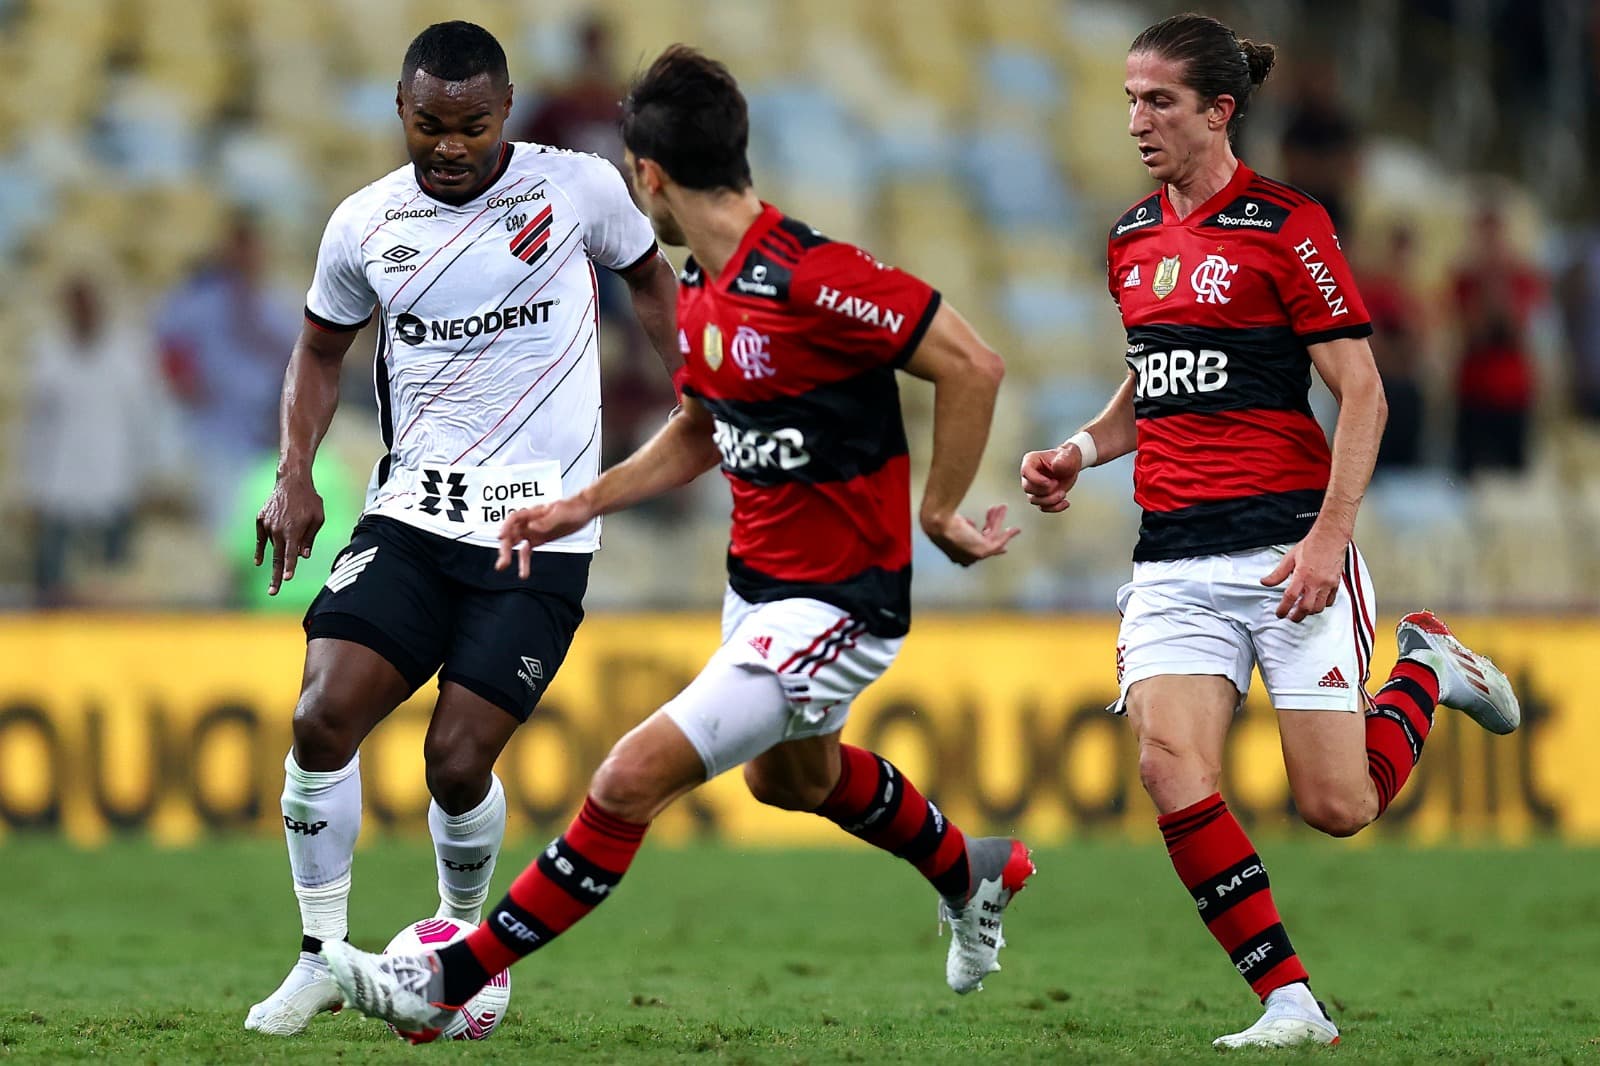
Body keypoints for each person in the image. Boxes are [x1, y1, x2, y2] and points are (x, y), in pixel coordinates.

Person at [321, 45, 1033, 1042]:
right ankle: (973, 867)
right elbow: (703, 428)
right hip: (759, 589)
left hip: (840, 600)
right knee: (795, 780)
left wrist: (941, 510)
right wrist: (581, 503)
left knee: (626, 778)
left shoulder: (813, 276)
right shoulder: (705, 286)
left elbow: (973, 364)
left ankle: (448, 975)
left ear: (646, 176)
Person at [1019, 14, 1521, 1050]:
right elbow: (1153, 379)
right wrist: (1076, 448)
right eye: (1127, 99)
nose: (1136, 120)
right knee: (1169, 769)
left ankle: (1426, 666)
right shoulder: (1128, 239)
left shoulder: (1287, 224)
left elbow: (1364, 393)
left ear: (1218, 109)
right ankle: (1288, 999)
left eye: (1159, 101)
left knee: (1339, 805)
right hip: (1170, 556)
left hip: (1287, 545)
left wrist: (1331, 539)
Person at [244, 21, 681, 1036]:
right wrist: (294, 474)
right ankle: (318, 953)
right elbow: (317, 352)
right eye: (431, 126)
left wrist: (702, 398)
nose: (450, 147)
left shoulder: (575, 190)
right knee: (318, 716)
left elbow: (653, 283)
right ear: (401, 110)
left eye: (473, 127)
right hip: (411, 514)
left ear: (508, 110)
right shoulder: (364, 224)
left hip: (541, 531)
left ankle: (458, 945)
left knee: (454, 762)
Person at [20, 275, 162, 605]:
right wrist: (34, 487)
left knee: (114, 588)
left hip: (115, 486)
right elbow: (36, 429)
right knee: (51, 589)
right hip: (59, 488)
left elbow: (143, 422)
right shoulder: (48, 356)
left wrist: (145, 477)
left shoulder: (127, 357)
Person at [156, 213, 300, 536]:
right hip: (215, 434)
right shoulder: (199, 301)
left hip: (266, 437)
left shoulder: (277, 302)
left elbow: (302, 356)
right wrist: (185, 383)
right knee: (223, 527)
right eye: (238, 248)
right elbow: (166, 345)